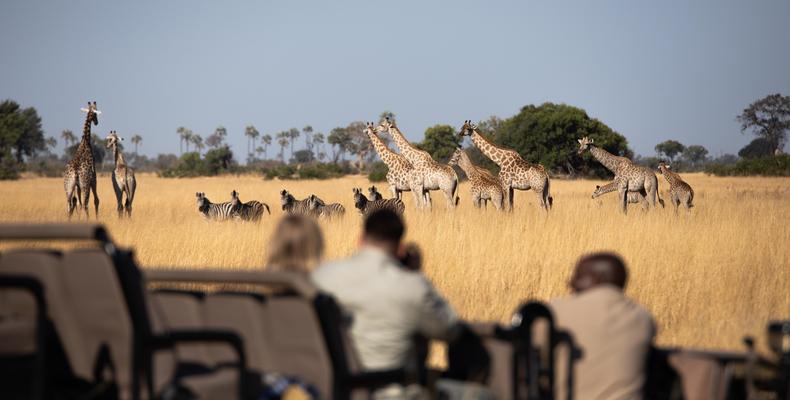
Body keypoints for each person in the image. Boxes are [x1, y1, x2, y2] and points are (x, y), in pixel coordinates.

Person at [311, 209, 460, 372]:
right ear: (401, 249)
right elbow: (450, 329)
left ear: (360, 240)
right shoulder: (412, 285)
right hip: (393, 388)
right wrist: (415, 273)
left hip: (336, 388)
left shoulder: (322, 275)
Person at [548, 252, 656, 400]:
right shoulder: (643, 317)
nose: (570, 282)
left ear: (598, 279)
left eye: (578, 276)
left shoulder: (555, 311)